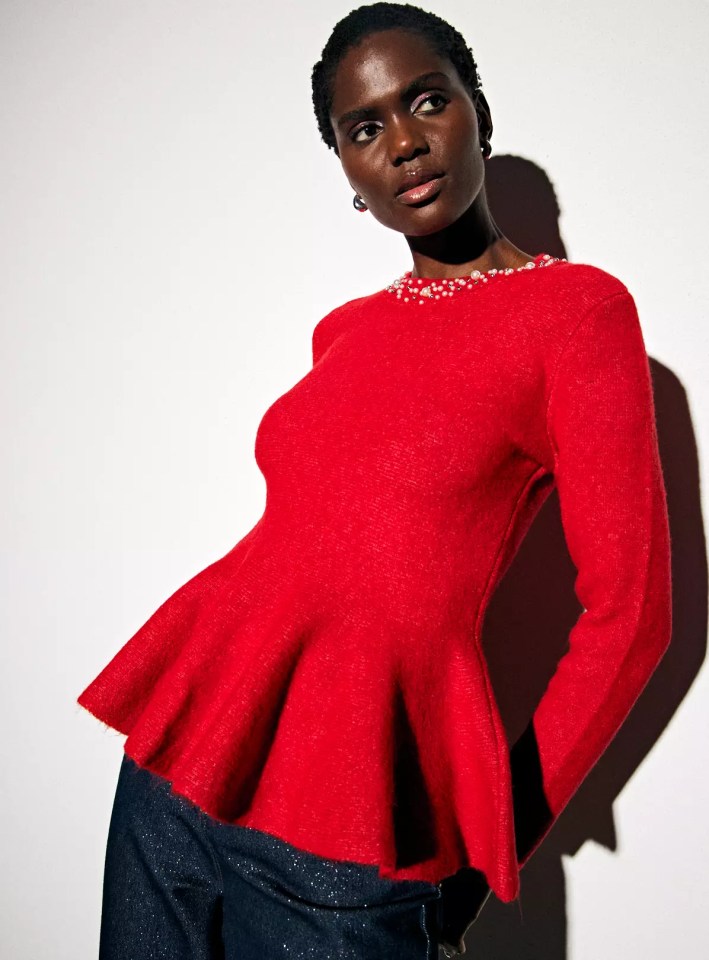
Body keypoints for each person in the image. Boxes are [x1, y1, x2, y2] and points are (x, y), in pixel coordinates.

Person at [76, 3, 673, 958]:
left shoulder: (577, 312)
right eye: (365, 128)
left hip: (355, 834)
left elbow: (630, 614)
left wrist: (491, 850)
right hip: (181, 763)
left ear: (477, 111)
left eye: (426, 101)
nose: (403, 142)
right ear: (349, 171)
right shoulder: (342, 329)